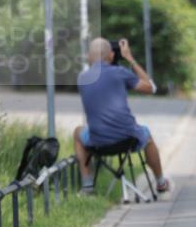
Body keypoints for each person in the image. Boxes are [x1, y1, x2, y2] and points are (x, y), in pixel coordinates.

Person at [73, 37, 170, 195]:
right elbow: (151, 88)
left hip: (98, 141)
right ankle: (160, 182)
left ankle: (88, 186)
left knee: (78, 132)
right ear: (111, 55)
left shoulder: (82, 78)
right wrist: (129, 58)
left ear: (89, 57)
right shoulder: (120, 73)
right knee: (147, 136)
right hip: (128, 138)